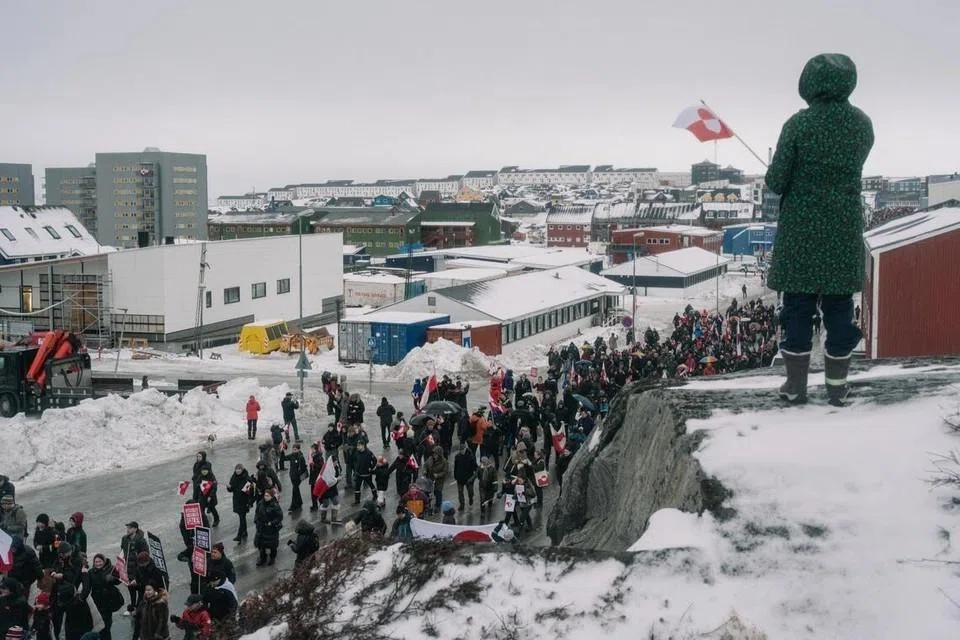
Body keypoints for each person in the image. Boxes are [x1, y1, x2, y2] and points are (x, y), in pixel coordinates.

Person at [765, 53, 874, 406]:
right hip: (842, 228)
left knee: (798, 308)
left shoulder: (798, 125)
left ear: (808, 83)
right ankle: (837, 386)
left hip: (801, 231)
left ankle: (795, 387)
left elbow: (777, 181)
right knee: (840, 308)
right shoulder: (861, 125)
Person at [88, 554, 124, 640]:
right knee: (99, 626)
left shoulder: (111, 569)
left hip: (108, 602)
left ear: (103, 561)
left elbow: (119, 581)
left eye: (100, 561)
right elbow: (88, 586)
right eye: (96, 562)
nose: (98, 564)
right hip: (97, 602)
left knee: (106, 626)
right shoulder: (91, 572)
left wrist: (113, 578)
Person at [121, 522, 149, 616]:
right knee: (131, 590)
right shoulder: (124, 539)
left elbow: (145, 555)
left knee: (140, 592)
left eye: (130, 528)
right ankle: (132, 607)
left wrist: (140, 571)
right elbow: (122, 552)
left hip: (138, 571)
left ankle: (138, 609)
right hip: (128, 570)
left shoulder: (141, 541)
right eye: (127, 527)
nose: (127, 529)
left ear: (135, 529)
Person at [253, 490, 283, 567]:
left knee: (272, 545)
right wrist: (256, 521)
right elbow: (257, 513)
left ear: (271, 497)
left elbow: (279, 516)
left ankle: (272, 558)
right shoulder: (260, 503)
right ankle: (263, 558)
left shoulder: (275, 505)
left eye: (267, 496)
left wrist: (272, 523)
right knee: (261, 545)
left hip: (271, 529)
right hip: (262, 528)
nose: (265, 497)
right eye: (265, 495)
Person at [226, 464, 253, 543]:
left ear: (242, 470)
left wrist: (250, 502)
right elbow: (231, 489)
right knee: (242, 517)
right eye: (236, 469)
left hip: (244, 501)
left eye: (239, 469)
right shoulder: (234, 477)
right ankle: (245, 532)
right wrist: (229, 488)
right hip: (236, 500)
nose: (237, 470)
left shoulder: (247, 479)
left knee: (242, 518)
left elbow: (250, 492)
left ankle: (239, 535)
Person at [422, 446, 448, 516]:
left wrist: (438, 475)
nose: (434, 455)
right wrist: (424, 471)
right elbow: (425, 465)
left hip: (438, 480)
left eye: (436, 454)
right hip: (429, 478)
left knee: (438, 492)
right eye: (434, 454)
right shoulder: (430, 459)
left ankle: (438, 506)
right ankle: (427, 506)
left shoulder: (444, 462)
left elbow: (445, 472)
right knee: (426, 492)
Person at [453, 441, 477, 511]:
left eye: (462, 450)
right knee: (460, 492)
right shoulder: (457, 457)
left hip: (469, 478)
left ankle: (471, 498)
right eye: (460, 450)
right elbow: (456, 467)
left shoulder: (471, 457)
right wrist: (455, 475)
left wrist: (473, 477)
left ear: (465, 449)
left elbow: (475, 467)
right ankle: (462, 505)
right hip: (460, 478)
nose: (461, 452)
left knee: (470, 491)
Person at [352, 441, 377, 506]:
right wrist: (356, 468)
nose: (357, 447)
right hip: (359, 474)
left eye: (359, 446)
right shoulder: (356, 452)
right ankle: (357, 500)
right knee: (357, 488)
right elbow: (354, 460)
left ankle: (375, 495)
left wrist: (371, 468)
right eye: (357, 446)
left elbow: (375, 460)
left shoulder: (369, 453)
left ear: (363, 446)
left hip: (367, 474)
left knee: (371, 485)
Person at [286, 442, 308, 514]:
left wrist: (299, 474)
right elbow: (284, 458)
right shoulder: (292, 455)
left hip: (297, 477)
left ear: (298, 449)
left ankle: (293, 506)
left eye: (295, 449)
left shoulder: (300, 457)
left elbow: (303, 467)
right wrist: (282, 451)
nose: (293, 451)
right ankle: (299, 502)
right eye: (293, 449)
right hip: (292, 476)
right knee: (296, 490)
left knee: (294, 490)